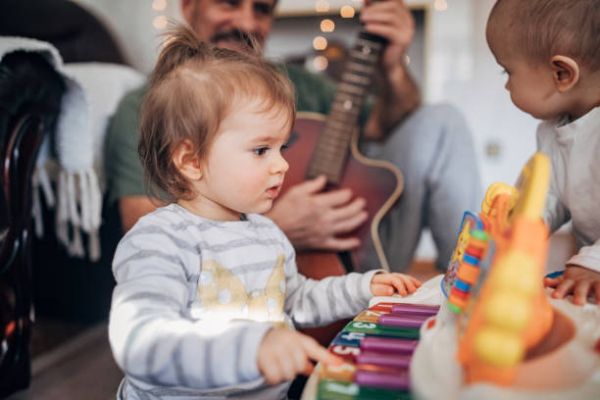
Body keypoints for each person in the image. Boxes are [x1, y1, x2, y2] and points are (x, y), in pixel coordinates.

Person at [108, 26, 422, 399]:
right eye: (261, 150)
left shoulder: (266, 233)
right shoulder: (158, 239)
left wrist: (361, 289)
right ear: (191, 160)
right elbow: (140, 340)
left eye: (282, 148)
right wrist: (251, 349)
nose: (282, 166)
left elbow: (296, 300)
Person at [105, 0, 481, 272]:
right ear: (189, 7)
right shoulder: (150, 105)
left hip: (360, 251)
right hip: (236, 277)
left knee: (441, 120)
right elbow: (141, 227)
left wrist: (393, 65)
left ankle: (471, 290)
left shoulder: (296, 86)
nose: (246, 21)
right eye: (229, 3)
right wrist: (273, 228)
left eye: (262, 9)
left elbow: (387, 124)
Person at [486, 0, 600, 305]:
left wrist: (591, 262)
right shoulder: (551, 132)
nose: (508, 85)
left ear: (562, 73)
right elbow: (546, 197)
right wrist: (517, 229)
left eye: (507, 72)